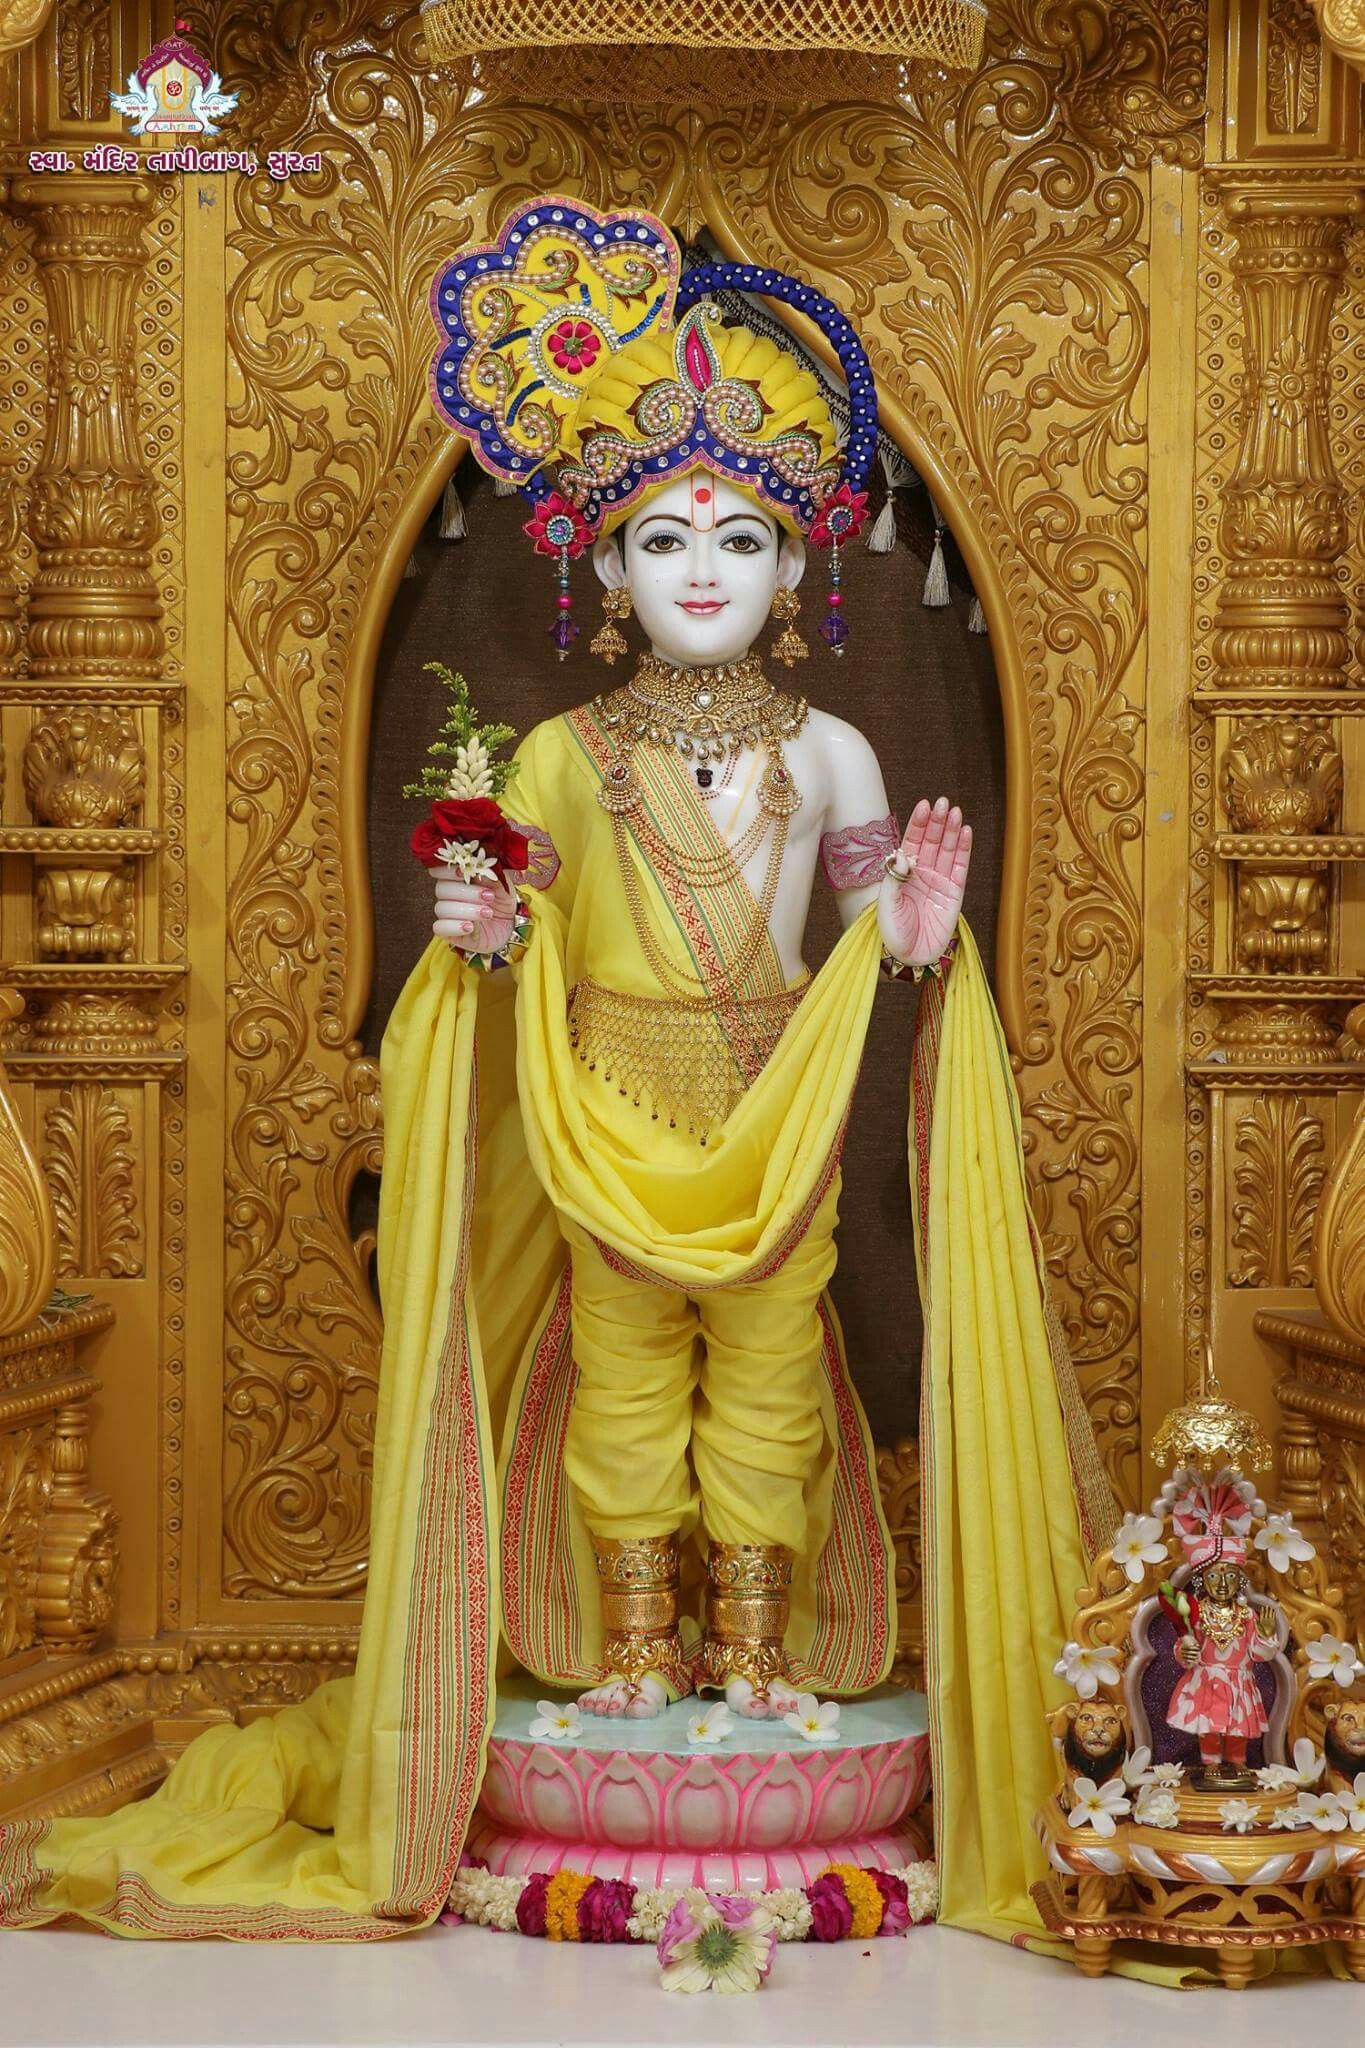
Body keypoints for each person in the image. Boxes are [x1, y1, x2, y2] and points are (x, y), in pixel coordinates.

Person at [424, 200, 969, 1720]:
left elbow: (864, 924)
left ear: (793, 564)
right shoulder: (559, 753)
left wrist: (913, 938)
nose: (703, 571)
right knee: (621, 1369)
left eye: (739, 539)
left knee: (772, 1365)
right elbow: (516, 930)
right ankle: (634, 1647)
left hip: (776, 1102)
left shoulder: (836, 751)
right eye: (663, 540)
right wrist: (488, 939)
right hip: (606, 1102)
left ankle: (755, 1649)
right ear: (607, 569)